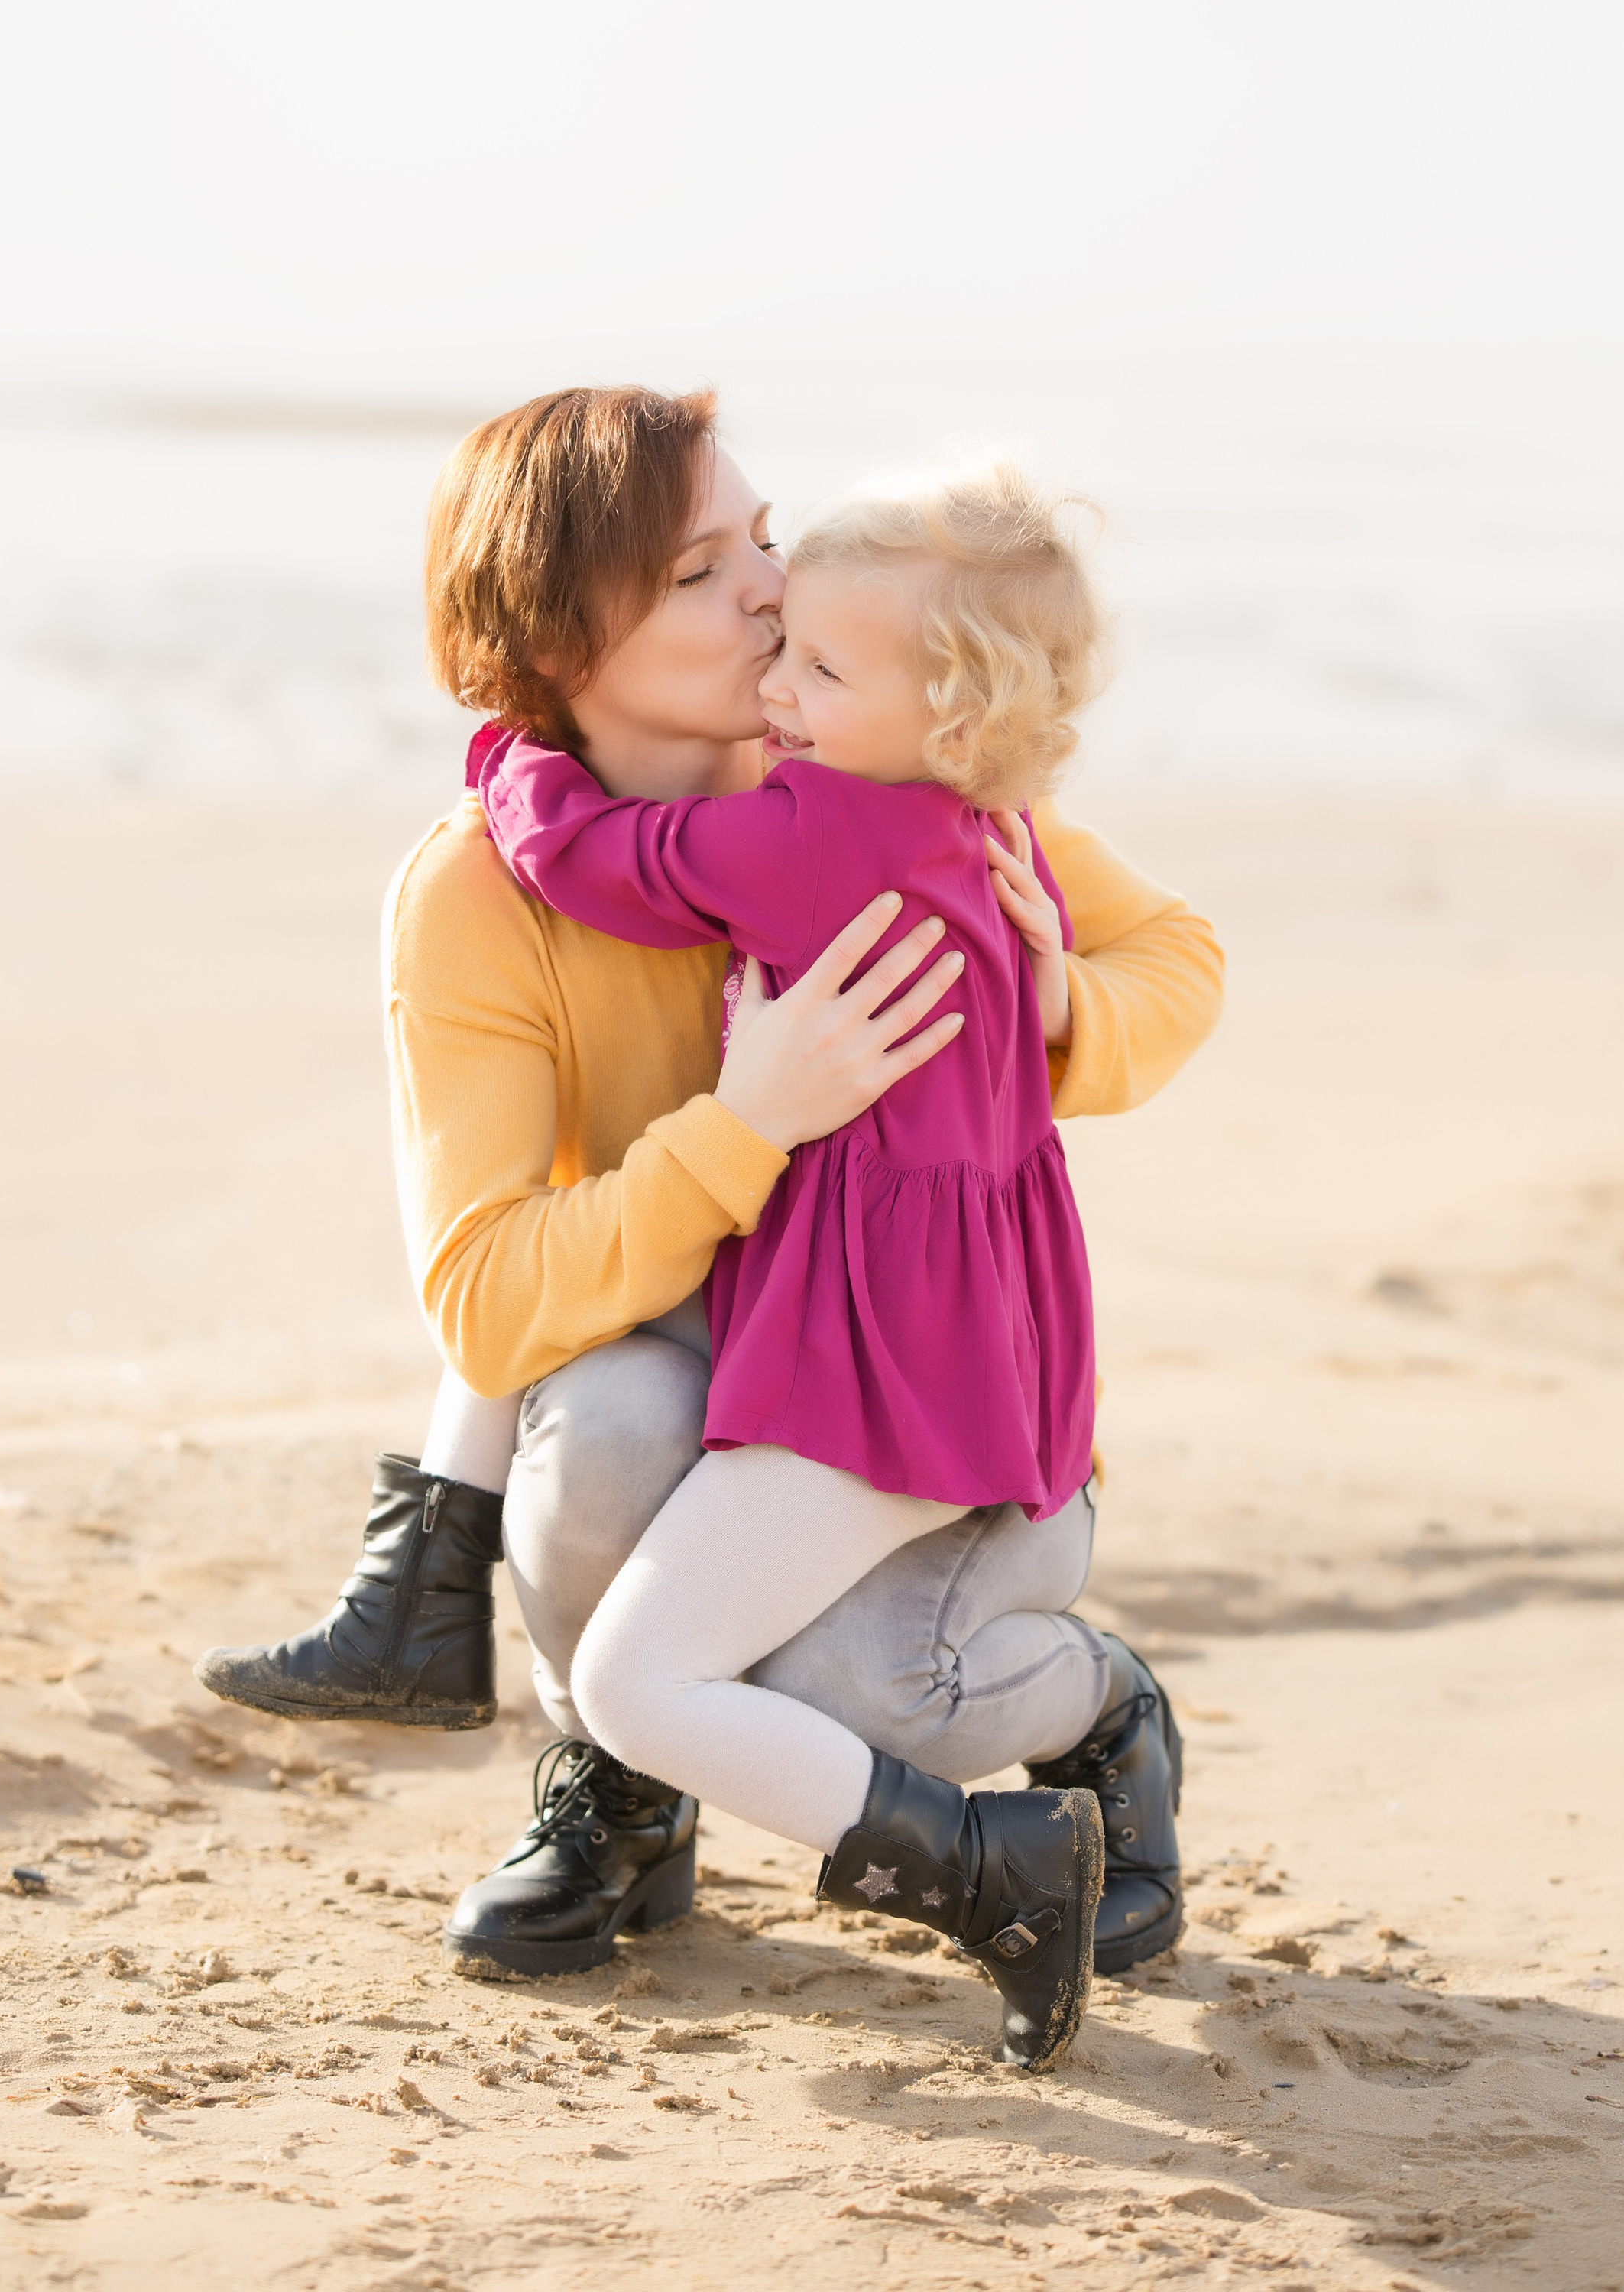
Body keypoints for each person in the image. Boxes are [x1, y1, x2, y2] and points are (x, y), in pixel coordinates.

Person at [196, 387, 1222, 2028]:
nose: (768, 586)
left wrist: (1050, 1006)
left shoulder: (867, 753)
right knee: (605, 1423)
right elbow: (485, 1303)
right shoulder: (481, 892)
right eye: (700, 570)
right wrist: (747, 1124)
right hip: (738, 1361)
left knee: (866, 1693)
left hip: (935, 1376)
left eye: (763, 536)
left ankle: (1098, 1713)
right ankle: (619, 1791)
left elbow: (1177, 953)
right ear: (559, 641)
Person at [472, 459, 1133, 2070]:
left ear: (953, 718)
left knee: (638, 1687)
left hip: (874, 1368)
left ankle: (993, 1870)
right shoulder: (977, 825)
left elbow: (600, 860)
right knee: (688, 1661)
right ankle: (988, 1857)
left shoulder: (820, 832)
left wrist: (509, 758)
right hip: (973, 1337)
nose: (775, 687)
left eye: (821, 672)